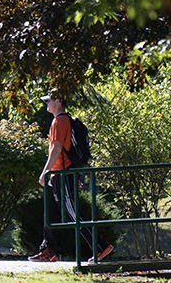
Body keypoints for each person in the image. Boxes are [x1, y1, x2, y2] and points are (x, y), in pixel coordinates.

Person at [27, 89, 113, 263]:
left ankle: (101, 246)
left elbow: (56, 149)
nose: (46, 104)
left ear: (58, 101)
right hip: (58, 174)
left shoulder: (60, 121)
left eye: (49, 101)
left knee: (71, 212)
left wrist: (45, 171)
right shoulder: (58, 121)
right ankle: (48, 250)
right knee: (49, 212)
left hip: (62, 174)